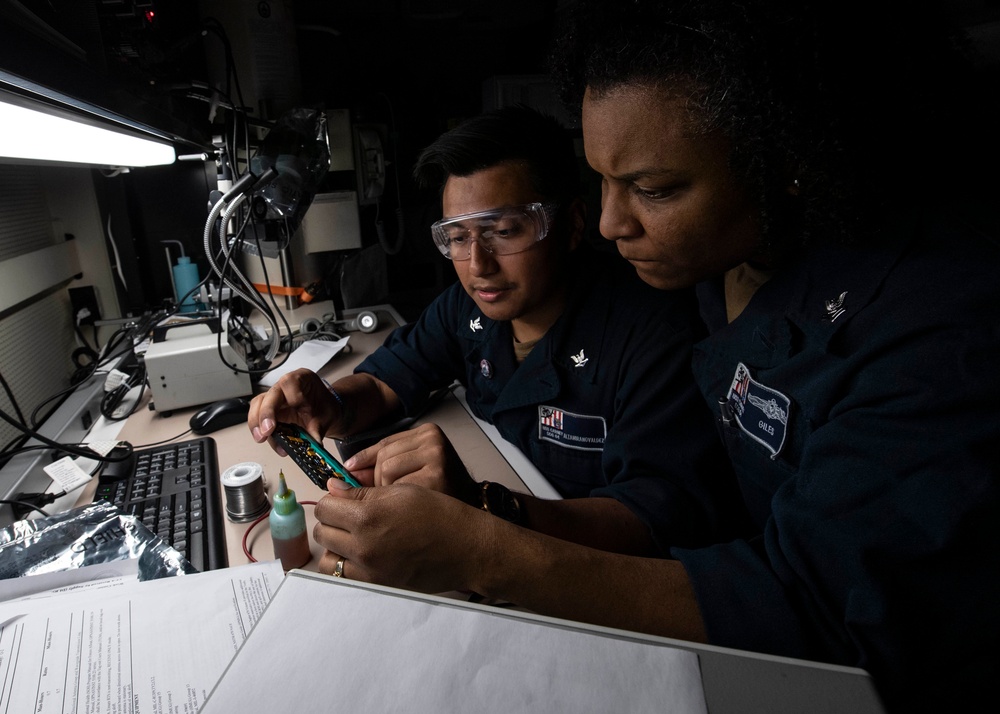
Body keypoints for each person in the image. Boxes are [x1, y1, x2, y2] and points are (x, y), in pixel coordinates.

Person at [306, 1, 1000, 711]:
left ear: (791, 156)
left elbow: (820, 609)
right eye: (603, 181)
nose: (611, 224)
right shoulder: (721, 265)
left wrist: (485, 550)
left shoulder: (942, 329)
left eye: (655, 188)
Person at [249, 104, 743, 556]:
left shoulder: (654, 335)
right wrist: (330, 404)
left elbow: (652, 523)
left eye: (504, 232)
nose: (478, 264)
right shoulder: (470, 308)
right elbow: (386, 382)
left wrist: (481, 508)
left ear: (571, 225)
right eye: (458, 237)